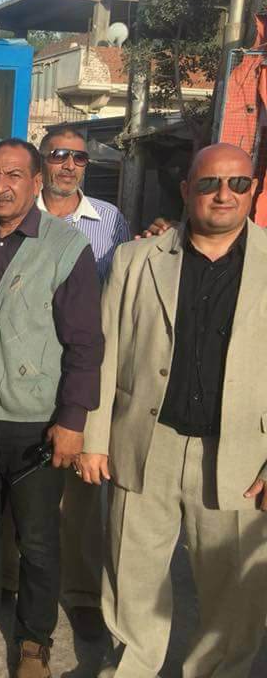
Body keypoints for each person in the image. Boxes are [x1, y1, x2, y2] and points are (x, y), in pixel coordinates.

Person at [84, 143, 267, 678]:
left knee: (234, 597)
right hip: (146, 444)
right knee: (131, 582)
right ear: (187, 191)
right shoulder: (135, 260)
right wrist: (94, 440)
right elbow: (105, 352)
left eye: (237, 183)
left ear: (253, 189)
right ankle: (131, 669)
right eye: (209, 183)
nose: (223, 194)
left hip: (239, 457)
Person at [0, 138, 103, 678]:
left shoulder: (65, 246)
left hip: (34, 417)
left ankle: (34, 640)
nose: (0, 186)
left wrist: (72, 420)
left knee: (36, 537)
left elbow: (85, 343)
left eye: (13, 175)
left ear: (36, 183)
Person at [0, 127, 131, 641]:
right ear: (42, 164)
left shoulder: (109, 221)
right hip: (23, 372)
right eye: (58, 155)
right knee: (18, 484)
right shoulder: (18, 215)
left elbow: (123, 289)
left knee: (80, 494)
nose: (70, 165)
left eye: (79, 157)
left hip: (82, 369)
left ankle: (80, 595)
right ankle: (7, 578)